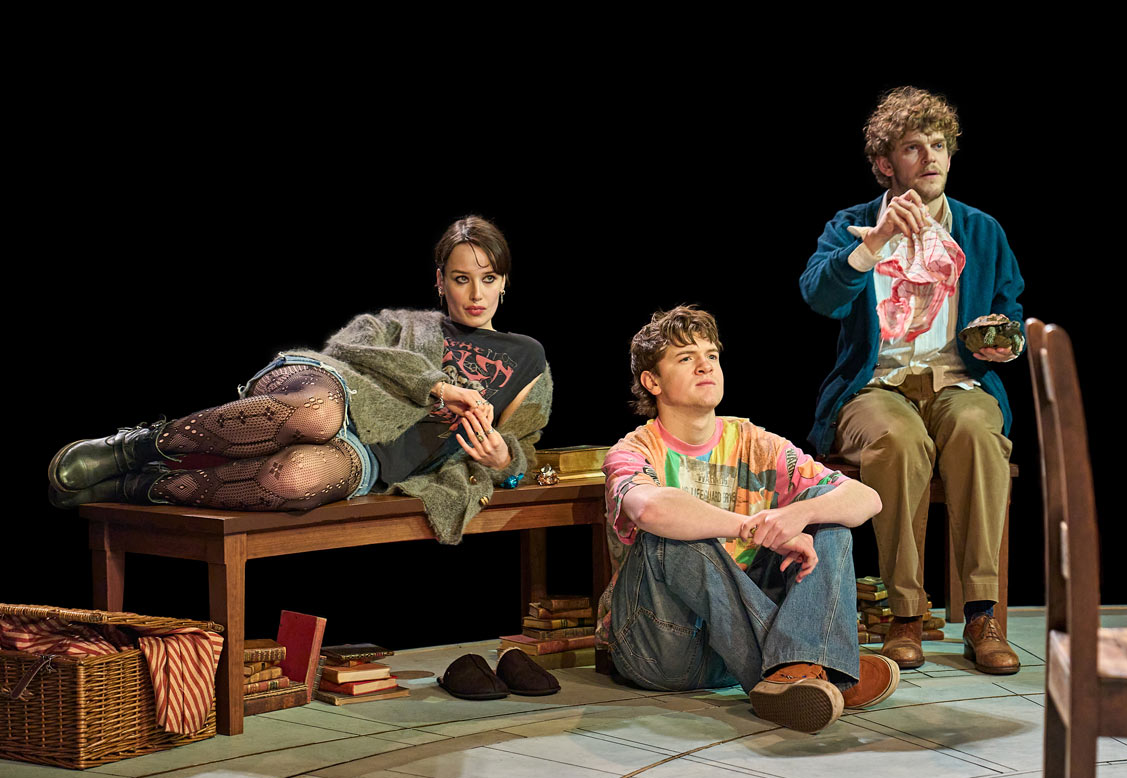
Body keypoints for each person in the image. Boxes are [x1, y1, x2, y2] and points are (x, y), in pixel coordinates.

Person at [49, 216, 551, 544]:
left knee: (292, 480)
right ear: (440, 281)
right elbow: (346, 348)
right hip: (331, 392)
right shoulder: (405, 324)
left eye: (488, 278)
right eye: (462, 278)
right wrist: (436, 386)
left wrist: (501, 459)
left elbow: (524, 453)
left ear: (505, 282)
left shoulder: (528, 357)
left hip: (371, 459)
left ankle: (143, 487)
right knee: (318, 415)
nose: (476, 293)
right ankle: (135, 447)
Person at [799, 86, 1025, 674]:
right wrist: (871, 248)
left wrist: (1004, 341)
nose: (931, 157)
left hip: (958, 382)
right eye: (913, 147)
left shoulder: (981, 231)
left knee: (977, 432)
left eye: (939, 145)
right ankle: (906, 615)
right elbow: (819, 294)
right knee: (899, 441)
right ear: (884, 164)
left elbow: (1009, 310)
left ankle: (982, 613)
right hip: (876, 388)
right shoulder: (852, 225)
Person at [596, 305, 896, 734]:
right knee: (669, 533)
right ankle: (822, 667)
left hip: (735, 655)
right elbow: (650, 509)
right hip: (661, 649)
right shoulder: (632, 451)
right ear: (652, 381)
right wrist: (752, 528)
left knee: (826, 513)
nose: (705, 366)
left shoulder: (756, 443)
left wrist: (800, 513)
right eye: (686, 358)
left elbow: (867, 498)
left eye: (711, 355)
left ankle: (797, 671)